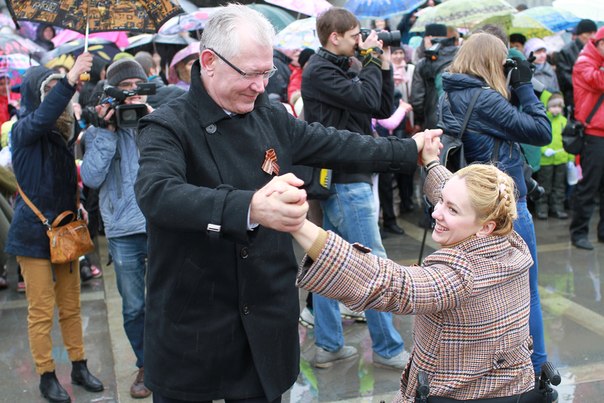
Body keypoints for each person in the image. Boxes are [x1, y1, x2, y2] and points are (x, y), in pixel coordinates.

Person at [134, 4, 422, 402]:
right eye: (250, 73)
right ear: (208, 62)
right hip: (195, 328)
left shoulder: (268, 114)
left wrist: (409, 149)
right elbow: (158, 194)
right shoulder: (167, 125)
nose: (259, 85)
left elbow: (334, 142)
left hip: (265, 327)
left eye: (266, 73)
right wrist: (250, 207)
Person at [288, 137, 545, 401]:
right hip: (514, 391)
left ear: (485, 226)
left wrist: (298, 225)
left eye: (451, 210)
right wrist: (432, 161)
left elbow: (391, 284)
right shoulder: (511, 240)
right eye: (441, 202)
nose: (436, 213)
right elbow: (454, 190)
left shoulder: (460, 274)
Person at [438, 32, 552, 376]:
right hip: (504, 207)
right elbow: (541, 130)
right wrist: (525, 87)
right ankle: (537, 372)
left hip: (472, 208)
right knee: (526, 293)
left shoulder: (449, 93)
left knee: (484, 297)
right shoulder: (484, 98)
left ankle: (488, 371)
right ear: (491, 62)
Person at [301, 7, 408, 370]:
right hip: (344, 179)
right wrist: (372, 58)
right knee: (372, 265)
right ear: (335, 37)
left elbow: (378, 105)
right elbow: (364, 99)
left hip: (348, 175)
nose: (360, 41)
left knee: (327, 263)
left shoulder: (342, 67)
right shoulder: (320, 70)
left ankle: (329, 345)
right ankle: (389, 348)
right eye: (355, 35)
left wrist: (384, 65)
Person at [5, 53, 104, 403]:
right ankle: (47, 374)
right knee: (41, 310)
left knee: (71, 305)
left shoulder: (61, 135)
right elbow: (44, 115)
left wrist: (77, 203)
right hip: (32, 236)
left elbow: (64, 180)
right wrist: (69, 79)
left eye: (55, 90)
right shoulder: (24, 130)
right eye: (46, 90)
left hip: (65, 231)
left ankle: (79, 365)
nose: (54, 99)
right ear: (35, 95)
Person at [80, 58, 152, 399]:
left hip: (160, 222)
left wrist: (150, 119)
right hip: (123, 230)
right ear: (111, 95)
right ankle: (145, 363)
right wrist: (107, 132)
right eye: (125, 91)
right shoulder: (97, 130)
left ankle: (169, 359)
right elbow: (92, 178)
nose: (131, 97)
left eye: (136, 89)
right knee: (134, 305)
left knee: (170, 297)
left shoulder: (156, 120)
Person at [569, 27, 604, 250]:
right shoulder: (584, 62)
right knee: (588, 187)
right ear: (598, 43)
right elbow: (598, 81)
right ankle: (579, 233)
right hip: (592, 134)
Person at [410, 23, 458, 131]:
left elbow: (417, 100)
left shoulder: (423, 63)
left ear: (429, 38)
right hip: (460, 120)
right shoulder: (461, 57)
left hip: (434, 122)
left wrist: (421, 120)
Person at [535, 93, 573, 220]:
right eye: (553, 106)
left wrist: (570, 159)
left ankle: (557, 208)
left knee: (559, 186)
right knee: (545, 185)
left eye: (559, 106)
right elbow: (537, 140)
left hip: (561, 159)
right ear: (547, 107)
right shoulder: (543, 120)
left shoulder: (564, 121)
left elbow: (570, 141)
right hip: (546, 160)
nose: (556, 109)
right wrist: (544, 150)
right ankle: (542, 209)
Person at [556, 19, 598, 113]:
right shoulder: (566, 51)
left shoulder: (595, 50)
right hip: (573, 96)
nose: (593, 36)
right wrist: (585, 85)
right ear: (581, 34)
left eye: (594, 33)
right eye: (589, 33)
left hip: (592, 96)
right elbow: (565, 76)